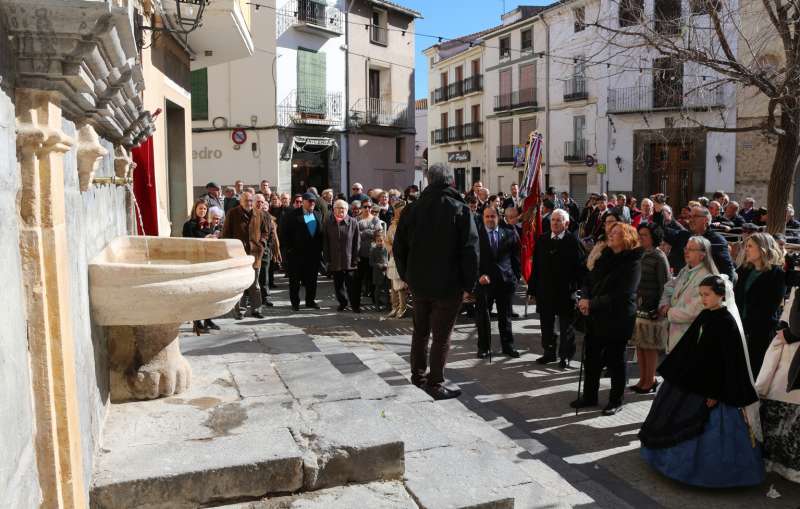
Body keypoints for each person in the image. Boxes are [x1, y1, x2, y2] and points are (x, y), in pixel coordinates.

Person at [639, 275, 764, 488]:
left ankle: (710, 475)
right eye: (701, 294)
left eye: (707, 295)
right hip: (693, 377)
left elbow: (728, 361)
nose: (703, 299)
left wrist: (715, 392)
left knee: (708, 429)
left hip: (713, 385)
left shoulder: (727, 322)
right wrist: (676, 370)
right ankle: (667, 462)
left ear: (721, 295)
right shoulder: (706, 315)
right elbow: (689, 346)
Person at [394, 164, 479, 400]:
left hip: (419, 283)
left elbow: (399, 248)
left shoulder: (412, 209)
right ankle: (434, 383)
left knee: (420, 331)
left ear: (428, 180)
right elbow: (471, 251)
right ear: (451, 181)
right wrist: (468, 286)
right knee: (441, 336)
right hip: (447, 286)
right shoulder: (459, 208)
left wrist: (407, 276)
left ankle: (418, 376)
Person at [574, 223, 643, 415]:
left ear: (627, 238)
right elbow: (589, 280)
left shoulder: (633, 263)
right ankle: (590, 395)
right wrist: (584, 298)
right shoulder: (604, 256)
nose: (610, 236)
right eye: (610, 233)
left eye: (615, 234)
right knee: (592, 357)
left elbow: (622, 294)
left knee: (616, 361)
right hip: (596, 316)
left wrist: (591, 303)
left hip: (617, 318)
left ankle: (616, 400)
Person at [528, 209, 586, 368]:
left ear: (566, 224)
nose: (554, 223)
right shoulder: (542, 239)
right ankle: (549, 353)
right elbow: (536, 268)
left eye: (558, 220)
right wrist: (532, 289)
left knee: (566, 327)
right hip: (545, 291)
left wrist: (580, 291)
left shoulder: (573, 242)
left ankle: (565, 356)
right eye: (553, 220)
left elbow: (581, 269)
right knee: (546, 324)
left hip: (565, 292)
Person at [756, 288, 800, 483]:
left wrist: (790, 334)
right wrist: (784, 329)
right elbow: (787, 314)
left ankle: (783, 464)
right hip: (788, 354)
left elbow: (796, 327)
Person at [734, 232, 786, 378]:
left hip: (759, 332)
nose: (746, 250)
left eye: (750, 246)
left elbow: (770, 307)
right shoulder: (744, 269)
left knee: (753, 371)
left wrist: (748, 326)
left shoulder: (777, 274)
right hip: (739, 327)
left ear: (762, 248)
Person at [475, 207, 521, 359]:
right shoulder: (476, 235)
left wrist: (515, 278)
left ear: (498, 217)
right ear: (483, 218)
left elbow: (516, 258)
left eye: (492, 216)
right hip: (484, 283)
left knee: (505, 316)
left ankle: (508, 346)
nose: (490, 219)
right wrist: (478, 276)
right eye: (487, 216)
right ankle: (484, 347)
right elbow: (470, 260)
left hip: (505, 282)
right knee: (483, 317)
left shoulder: (508, 233)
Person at [629, 223, 670, 393]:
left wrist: (660, 308)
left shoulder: (659, 257)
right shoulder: (638, 253)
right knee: (640, 344)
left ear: (653, 237)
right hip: (638, 307)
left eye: (644, 235)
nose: (641, 237)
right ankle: (643, 379)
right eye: (640, 234)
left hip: (652, 308)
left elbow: (665, 285)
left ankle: (651, 380)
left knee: (650, 346)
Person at [660, 236, 718, 352]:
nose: (686, 251)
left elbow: (694, 311)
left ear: (703, 254)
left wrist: (668, 312)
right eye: (686, 248)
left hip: (691, 337)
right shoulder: (685, 270)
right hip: (674, 334)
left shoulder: (707, 278)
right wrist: (664, 304)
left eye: (691, 249)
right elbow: (668, 288)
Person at [222, 191, 266, 319]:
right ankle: (239, 311)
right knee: (239, 284)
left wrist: (261, 243)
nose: (250, 203)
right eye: (247, 200)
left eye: (251, 200)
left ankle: (256, 309)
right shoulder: (233, 213)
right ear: (241, 201)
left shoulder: (259, 213)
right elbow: (226, 233)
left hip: (255, 254)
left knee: (255, 284)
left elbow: (265, 231)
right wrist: (231, 250)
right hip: (239, 255)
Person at [664, 206, 735, 281]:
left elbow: (727, 270)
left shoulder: (717, 240)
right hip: (682, 282)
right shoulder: (684, 235)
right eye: (690, 217)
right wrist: (658, 212)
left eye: (695, 216)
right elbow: (662, 232)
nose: (690, 220)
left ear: (706, 220)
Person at [282, 192, 323, 311]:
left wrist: (320, 251)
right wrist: (289, 250)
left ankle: (310, 301)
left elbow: (320, 235)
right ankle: (295, 303)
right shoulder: (291, 215)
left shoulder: (318, 214)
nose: (312, 203)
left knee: (312, 281)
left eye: (314, 201)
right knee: (295, 281)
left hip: (313, 256)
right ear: (303, 202)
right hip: (296, 255)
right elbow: (284, 234)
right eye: (309, 201)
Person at [182, 200, 218, 333]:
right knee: (197, 293)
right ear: (195, 209)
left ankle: (208, 319)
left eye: (204, 209)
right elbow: (188, 243)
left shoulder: (208, 224)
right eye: (200, 208)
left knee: (208, 292)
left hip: (208, 260)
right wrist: (205, 239)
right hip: (195, 262)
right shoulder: (189, 225)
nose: (202, 211)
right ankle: (197, 322)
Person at [323, 199, 360, 312]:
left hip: (349, 259)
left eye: (343, 208)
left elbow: (356, 242)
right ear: (333, 210)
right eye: (338, 208)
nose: (340, 210)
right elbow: (326, 243)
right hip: (335, 259)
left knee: (352, 285)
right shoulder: (328, 223)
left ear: (347, 210)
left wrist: (355, 258)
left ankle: (355, 305)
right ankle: (342, 302)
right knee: (338, 284)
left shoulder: (353, 222)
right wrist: (327, 259)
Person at [254, 194, 279, 308]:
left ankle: (264, 298)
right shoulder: (250, 215)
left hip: (264, 251)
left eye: (262, 202)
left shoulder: (268, 216)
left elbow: (271, 234)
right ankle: (252, 299)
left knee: (264, 276)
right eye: (257, 201)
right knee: (253, 277)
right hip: (252, 251)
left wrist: (268, 248)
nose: (259, 204)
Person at [356, 202, 384, 306]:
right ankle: (357, 301)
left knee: (373, 277)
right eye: (365, 206)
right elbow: (355, 233)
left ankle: (374, 299)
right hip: (361, 252)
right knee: (360, 277)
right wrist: (369, 232)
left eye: (369, 207)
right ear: (361, 208)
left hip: (373, 253)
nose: (367, 208)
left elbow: (378, 233)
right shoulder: (357, 219)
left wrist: (363, 232)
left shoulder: (375, 219)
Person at [385, 200, 409, 318]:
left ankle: (402, 308)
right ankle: (394, 307)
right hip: (393, 259)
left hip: (404, 259)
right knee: (393, 285)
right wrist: (391, 250)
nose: (399, 213)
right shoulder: (392, 225)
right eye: (397, 211)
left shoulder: (409, 224)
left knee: (400, 286)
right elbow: (387, 241)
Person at [370, 230, 390, 311]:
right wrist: (378, 265)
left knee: (386, 290)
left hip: (385, 273)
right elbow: (371, 262)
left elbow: (388, 259)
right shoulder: (373, 250)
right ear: (375, 241)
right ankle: (377, 305)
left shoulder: (386, 250)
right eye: (378, 241)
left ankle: (388, 305)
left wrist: (386, 264)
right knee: (377, 290)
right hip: (377, 273)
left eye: (381, 241)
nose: (380, 242)